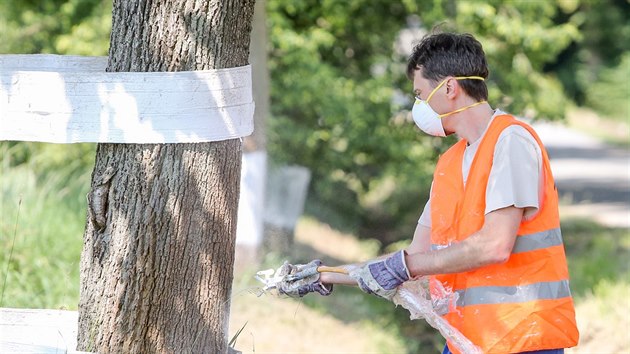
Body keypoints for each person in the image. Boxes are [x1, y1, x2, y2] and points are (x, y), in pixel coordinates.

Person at [279, 32, 579, 354]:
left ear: (449, 88)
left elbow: (494, 246)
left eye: (421, 94)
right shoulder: (449, 164)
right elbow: (413, 257)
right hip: (466, 339)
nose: (418, 107)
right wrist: (327, 275)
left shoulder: (510, 142)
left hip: (521, 338)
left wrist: (407, 266)